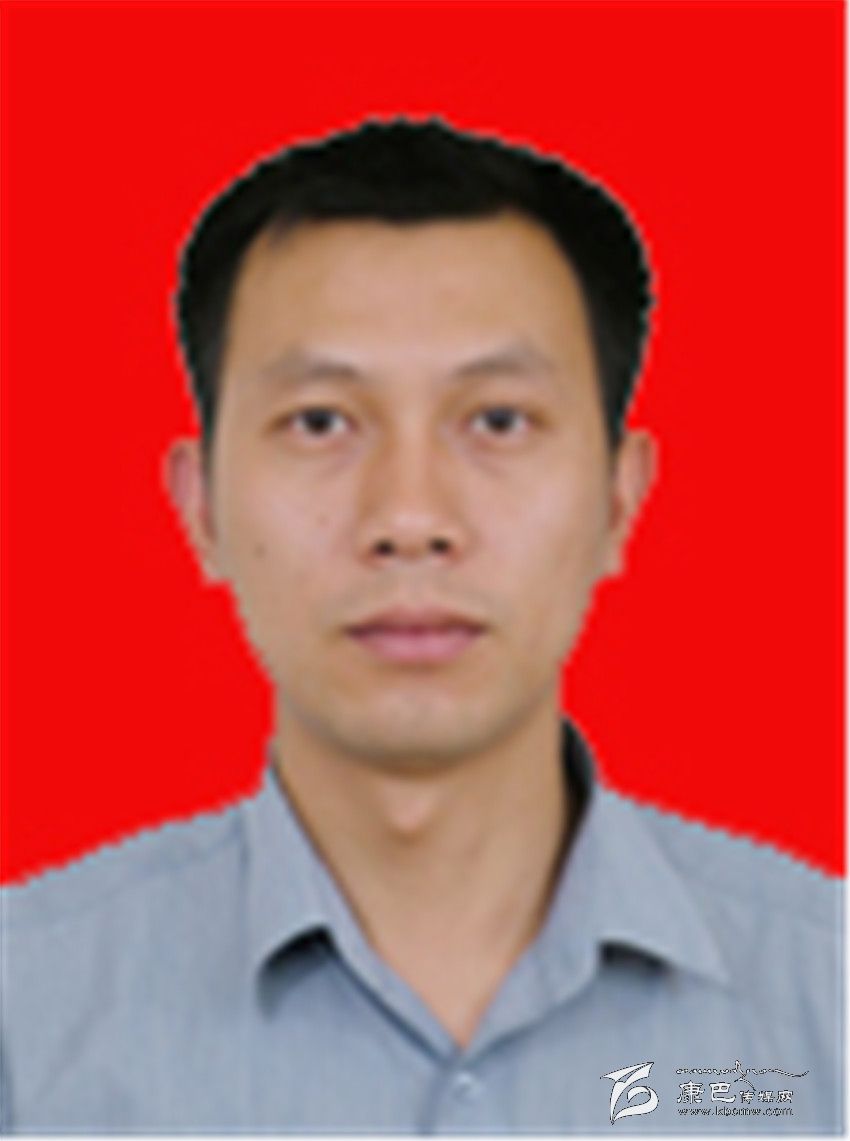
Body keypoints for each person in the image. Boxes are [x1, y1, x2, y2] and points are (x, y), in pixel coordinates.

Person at [0, 119, 841, 1134]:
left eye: (498, 420)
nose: (408, 518)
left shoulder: (816, 1014)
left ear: (619, 500)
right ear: (202, 507)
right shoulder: (29, 1023)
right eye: (320, 422)